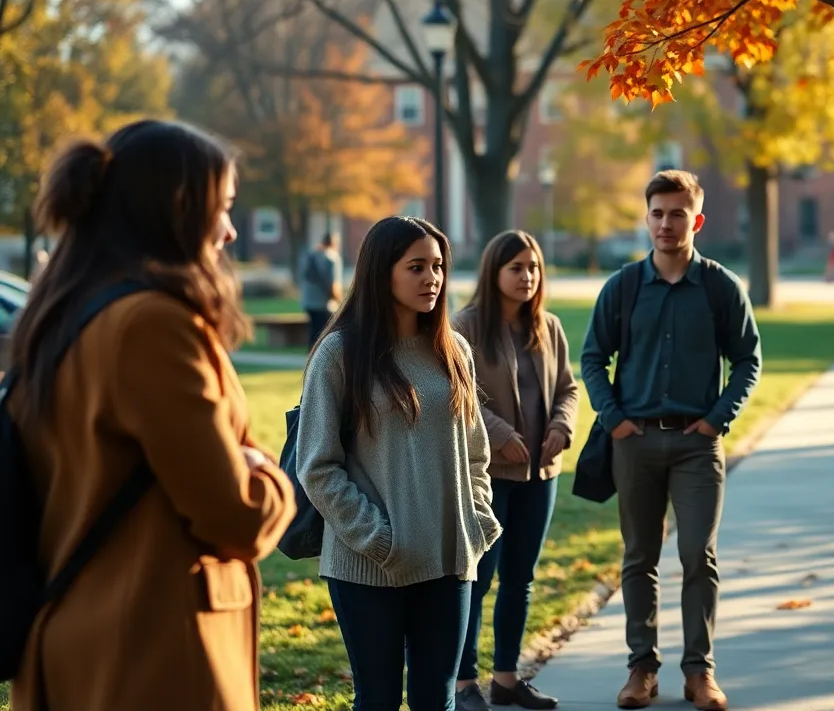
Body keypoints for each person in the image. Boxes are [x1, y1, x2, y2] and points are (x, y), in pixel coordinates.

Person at [8, 119, 297, 711]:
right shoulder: (152, 326)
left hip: (80, 647)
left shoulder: (58, 321)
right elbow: (236, 515)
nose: (230, 230)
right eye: (223, 208)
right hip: (153, 654)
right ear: (177, 211)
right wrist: (267, 472)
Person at [296, 215, 501, 711]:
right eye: (416, 267)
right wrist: (381, 539)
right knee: (379, 700)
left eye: (437, 266)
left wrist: (476, 520)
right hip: (369, 566)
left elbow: (475, 451)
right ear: (380, 272)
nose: (432, 278)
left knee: (437, 700)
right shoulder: (341, 354)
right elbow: (317, 466)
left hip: (449, 561)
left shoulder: (454, 351)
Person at [582, 170, 762, 711]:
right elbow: (594, 357)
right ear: (647, 218)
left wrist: (716, 420)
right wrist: (614, 419)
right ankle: (642, 669)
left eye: (677, 213)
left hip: (696, 445)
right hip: (633, 441)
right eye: (657, 213)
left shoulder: (720, 288)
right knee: (639, 556)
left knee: (696, 555)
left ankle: (699, 673)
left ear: (697, 220)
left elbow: (748, 360)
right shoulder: (624, 287)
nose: (665, 223)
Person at [452, 230, 580, 711]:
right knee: (477, 579)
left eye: (534, 268)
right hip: (488, 478)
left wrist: (563, 428)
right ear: (494, 272)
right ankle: (464, 685)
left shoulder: (549, 327)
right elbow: (456, 395)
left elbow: (568, 388)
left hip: (539, 477)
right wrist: (501, 433)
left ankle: (506, 679)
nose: (527, 276)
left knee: (520, 579)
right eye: (517, 267)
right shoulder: (463, 328)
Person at [300, 232, 343, 347]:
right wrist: (340, 301)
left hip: (308, 301)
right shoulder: (332, 258)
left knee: (314, 332)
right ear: (334, 243)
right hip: (324, 304)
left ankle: (311, 359)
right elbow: (333, 284)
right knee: (325, 335)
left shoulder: (311, 256)